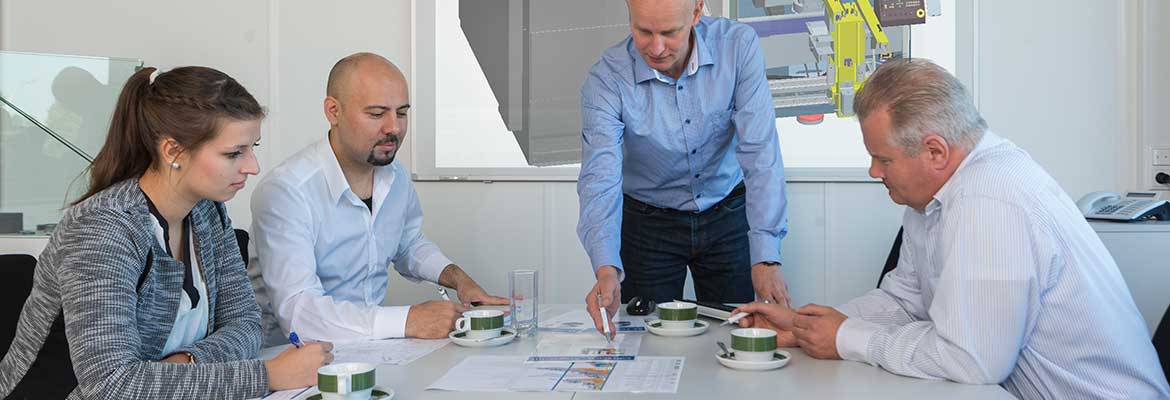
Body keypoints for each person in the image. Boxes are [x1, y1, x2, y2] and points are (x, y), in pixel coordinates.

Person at [731, 59, 1170, 399]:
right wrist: (806, 325)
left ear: (935, 152)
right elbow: (903, 301)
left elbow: (971, 360)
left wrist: (846, 338)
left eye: (883, 159)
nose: (873, 171)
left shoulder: (989, 197)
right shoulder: (933, 198)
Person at [0, 66, 331, 399]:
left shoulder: (207, 211)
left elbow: (246, 323)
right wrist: (267, 375)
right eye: (233, 153)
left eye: (252, 147)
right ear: (173, 151)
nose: (252, 166)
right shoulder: (101, 228)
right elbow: (110, 386)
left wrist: (186, 362)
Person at [251, 52, 507, 342]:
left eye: (402, 113)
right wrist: (409, 321)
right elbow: (300, 313)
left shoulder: (394, 175)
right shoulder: (286, 191)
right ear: (333, 112)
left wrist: (457, 279)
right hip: (291, 355)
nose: (394, 128)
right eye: (376, 114)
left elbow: (408, 243)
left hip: (371, 348)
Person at [578, 0, 790, 337]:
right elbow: (600, 178)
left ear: (696, 12)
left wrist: (766, 258)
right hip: (648, 225)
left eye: (670, 32)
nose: (656, 48)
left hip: (727, 214)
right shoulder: (606, 78)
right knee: (646, 340)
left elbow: (760, 153)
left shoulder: (737, 48)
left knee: (735, 333)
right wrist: (606, 269)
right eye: (643, 31)